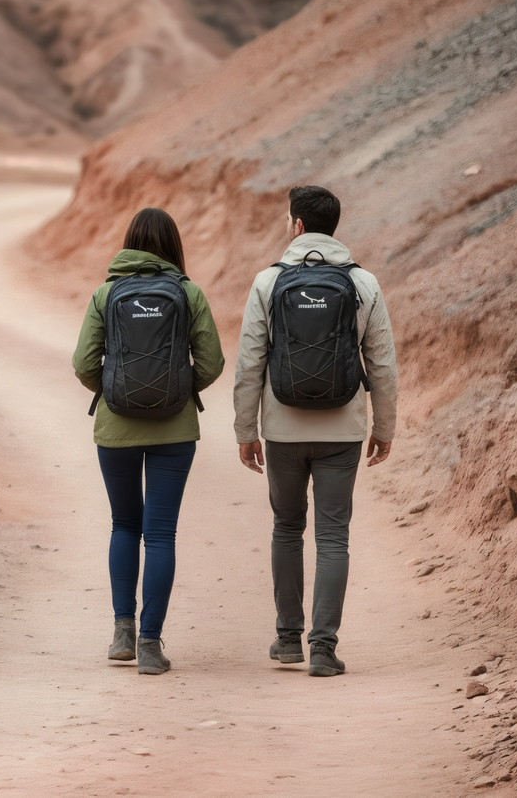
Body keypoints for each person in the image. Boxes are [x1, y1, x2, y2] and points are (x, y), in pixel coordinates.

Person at [233, 185, 398, 677]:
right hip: (343, 429)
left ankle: (287, 640)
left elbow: (249, 364)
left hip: (281, 430)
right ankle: (323, 648)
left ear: (298, 226)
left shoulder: (267, 282)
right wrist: (383, 427)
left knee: (286, 528)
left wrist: (246, 430)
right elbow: (383, 365)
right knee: (333, 538)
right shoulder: (364, 283)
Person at [72, 208, 224, 675]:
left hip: (115, 429)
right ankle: (151, 645)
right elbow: (213, 363)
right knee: (160, 534)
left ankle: (122, 630)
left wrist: (116, 388)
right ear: (173, 245)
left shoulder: (106, 293)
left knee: (124, 525)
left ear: (130, 243)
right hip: (175, 430)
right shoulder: (189, 293)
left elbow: (82, 364)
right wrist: (178, 390)